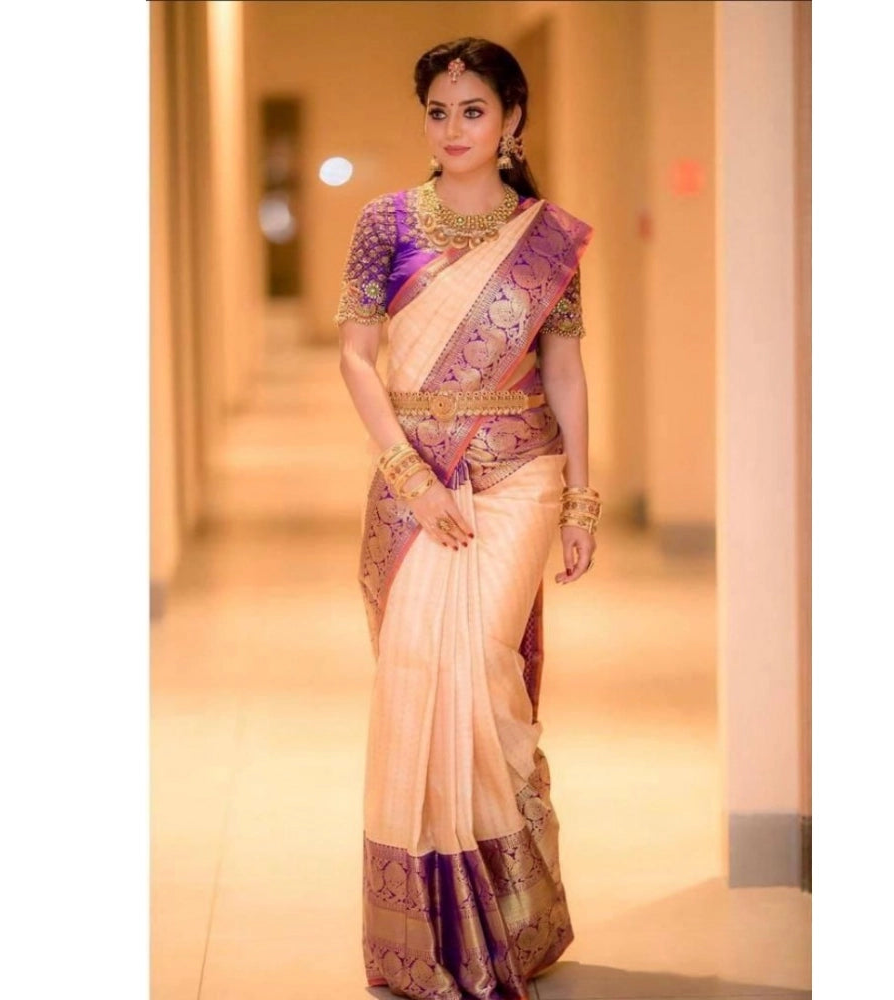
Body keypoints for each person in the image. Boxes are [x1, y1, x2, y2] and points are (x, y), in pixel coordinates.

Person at [336, 36, 601, 1000]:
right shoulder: (384, 222)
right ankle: (433, 935)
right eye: (439, 112)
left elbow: (564, 371)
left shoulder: (548, 240)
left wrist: (580, 498)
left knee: (485, 672)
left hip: (521, 471)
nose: (453, 129)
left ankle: (509, 919)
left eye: (474, 110)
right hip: (416, 478)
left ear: (512, 119)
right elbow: (357, 356)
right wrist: (409, 475)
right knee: (417, 673)